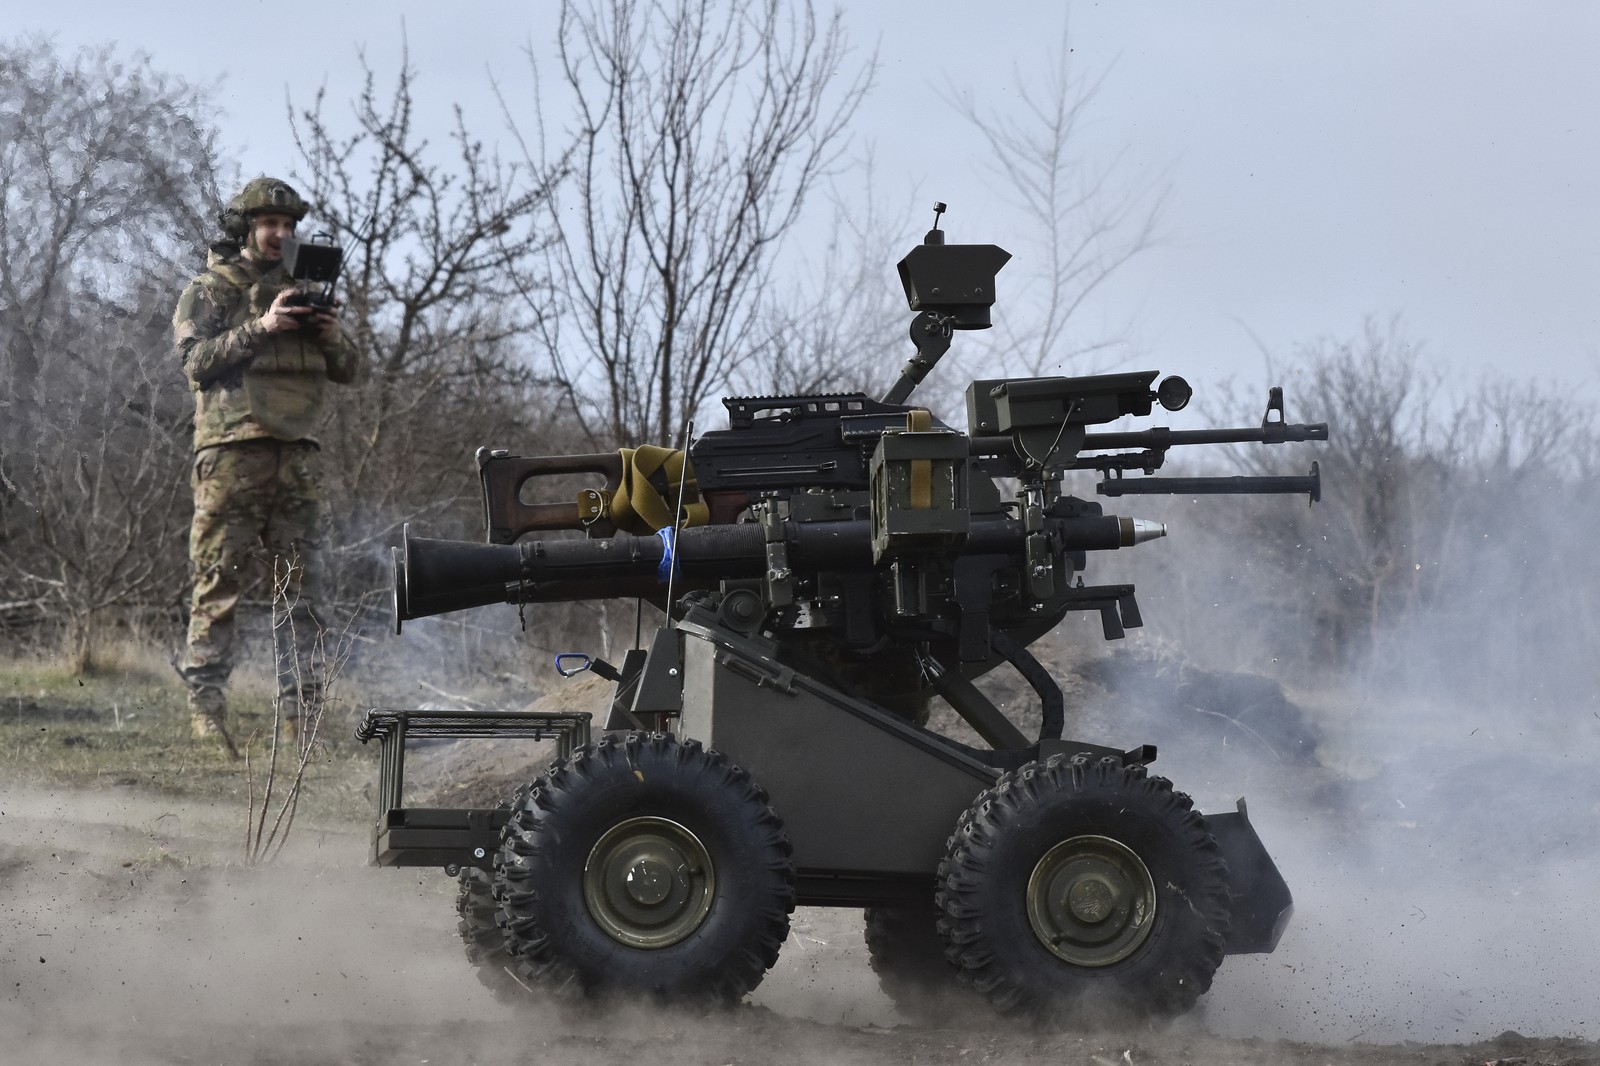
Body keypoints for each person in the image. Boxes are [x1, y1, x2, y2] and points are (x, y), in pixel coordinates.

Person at [172, 176, 360, 752]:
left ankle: (302, 721)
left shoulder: (307, 288)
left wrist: (327, 333)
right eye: (268, 224)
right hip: (231, 455)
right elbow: (194, 362)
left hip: (295, 455)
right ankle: (207, 711)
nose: (279, 234)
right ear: (247, 228)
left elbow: (349, 368)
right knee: (217, 582)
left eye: (287, 225)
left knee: (301, 592)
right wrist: (262, 327)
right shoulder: (214, 286)